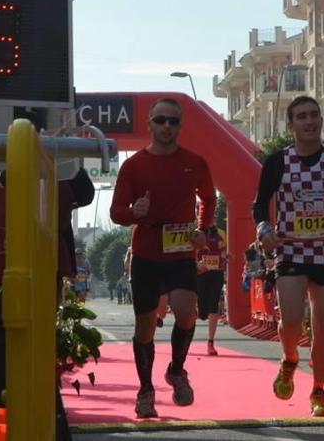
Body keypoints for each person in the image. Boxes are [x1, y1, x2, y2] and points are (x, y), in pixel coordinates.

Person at [0, 150, 94, 440]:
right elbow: (77, 197)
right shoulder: (45, 153)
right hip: (36, 265)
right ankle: (30, 428)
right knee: (34, 354)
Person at [253, 95, 324, 417]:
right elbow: (260, 204)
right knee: (290, 322)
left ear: (321, 120)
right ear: (291, 124)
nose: (309, 121)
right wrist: (264, 229)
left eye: (314, 115)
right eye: (301, 116)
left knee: (323, 325)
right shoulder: (278, 161)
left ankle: (318, 390)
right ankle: (289, 358)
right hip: (290, 249)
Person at [109, 97, 215, 418]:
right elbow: (116, 213)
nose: (166, 126)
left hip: (181, 249)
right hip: (146, 252)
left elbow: (208, 200)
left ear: (180, 126)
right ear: (149, 125)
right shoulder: (133, 166)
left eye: (173, 121)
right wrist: (133, 212)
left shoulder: (194, 162)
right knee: (145, 327)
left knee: (186, 312)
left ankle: (177, 370)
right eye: (160, 120)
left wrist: (202, 230)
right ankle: (145, 390)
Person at [195, 225, 227, 356]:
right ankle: (198, 311)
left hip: (216, 273)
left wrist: (224, 258)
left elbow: (224, 252)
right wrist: (197, 264)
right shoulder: (194, 233)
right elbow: (190, 253)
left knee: (214, 306)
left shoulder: (220, 233)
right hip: (200, 274)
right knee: (202, 313)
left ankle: (210, 343)